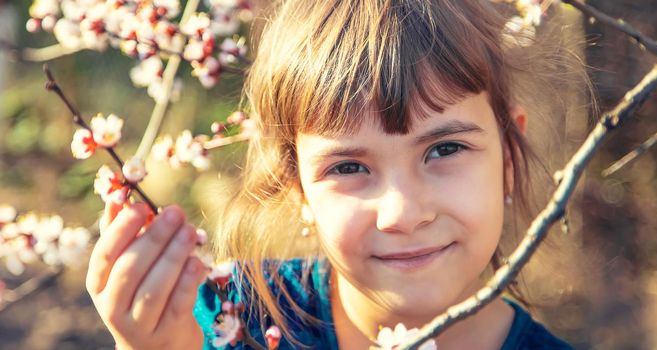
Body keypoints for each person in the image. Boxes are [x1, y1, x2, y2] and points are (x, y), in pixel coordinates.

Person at [87, 0, 585, 348]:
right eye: (349, 166)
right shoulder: (226, 321)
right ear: (296, 183)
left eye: (445, 148)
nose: (403, 213)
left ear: (508, 155)